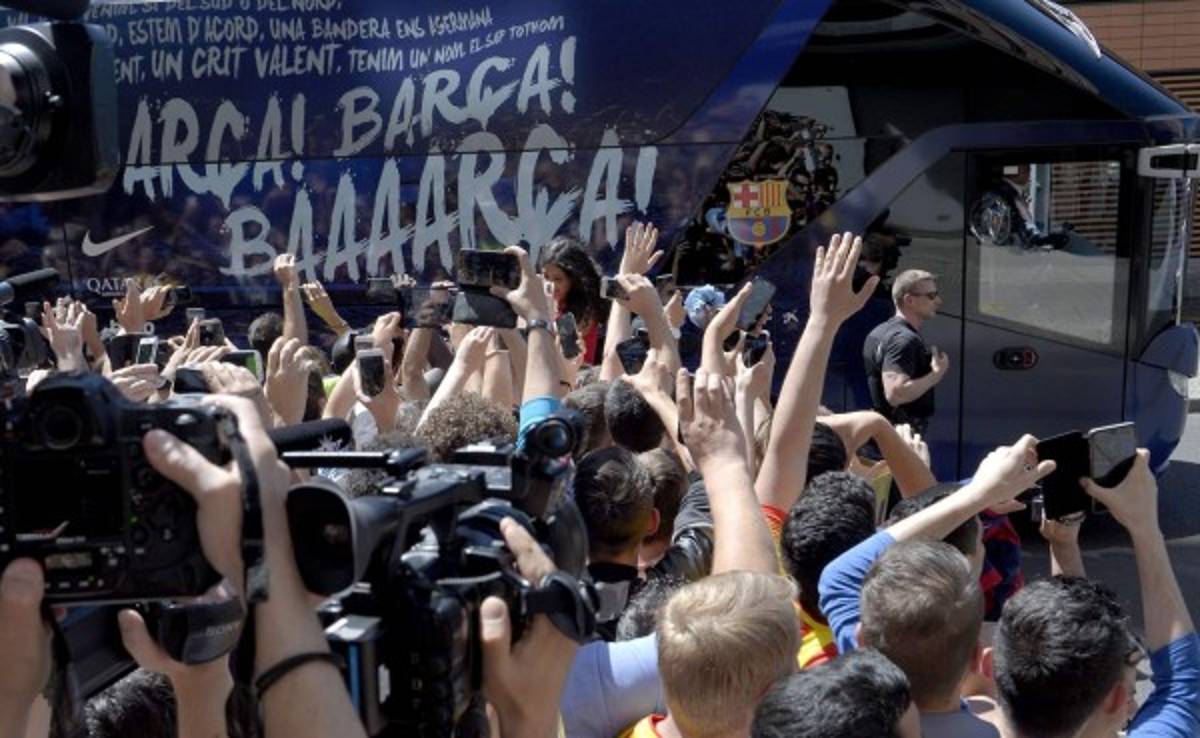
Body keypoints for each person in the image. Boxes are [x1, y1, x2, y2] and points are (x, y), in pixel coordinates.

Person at [862, 269, 949, 435]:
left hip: (884, 432)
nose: (938, 301)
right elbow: (896, 394)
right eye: (931, 296)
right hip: (899, 435)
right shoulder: (903, 340)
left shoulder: (880, 332)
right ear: (909, 300)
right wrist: (936, 375)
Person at [539, 236, 607, 364]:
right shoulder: (550, 301)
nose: (550, 284)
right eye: (546, 277)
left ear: (573, 280)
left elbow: (565, 349)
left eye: (558, 279)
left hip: (577, 378)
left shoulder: (584, 311)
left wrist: (545, 310)